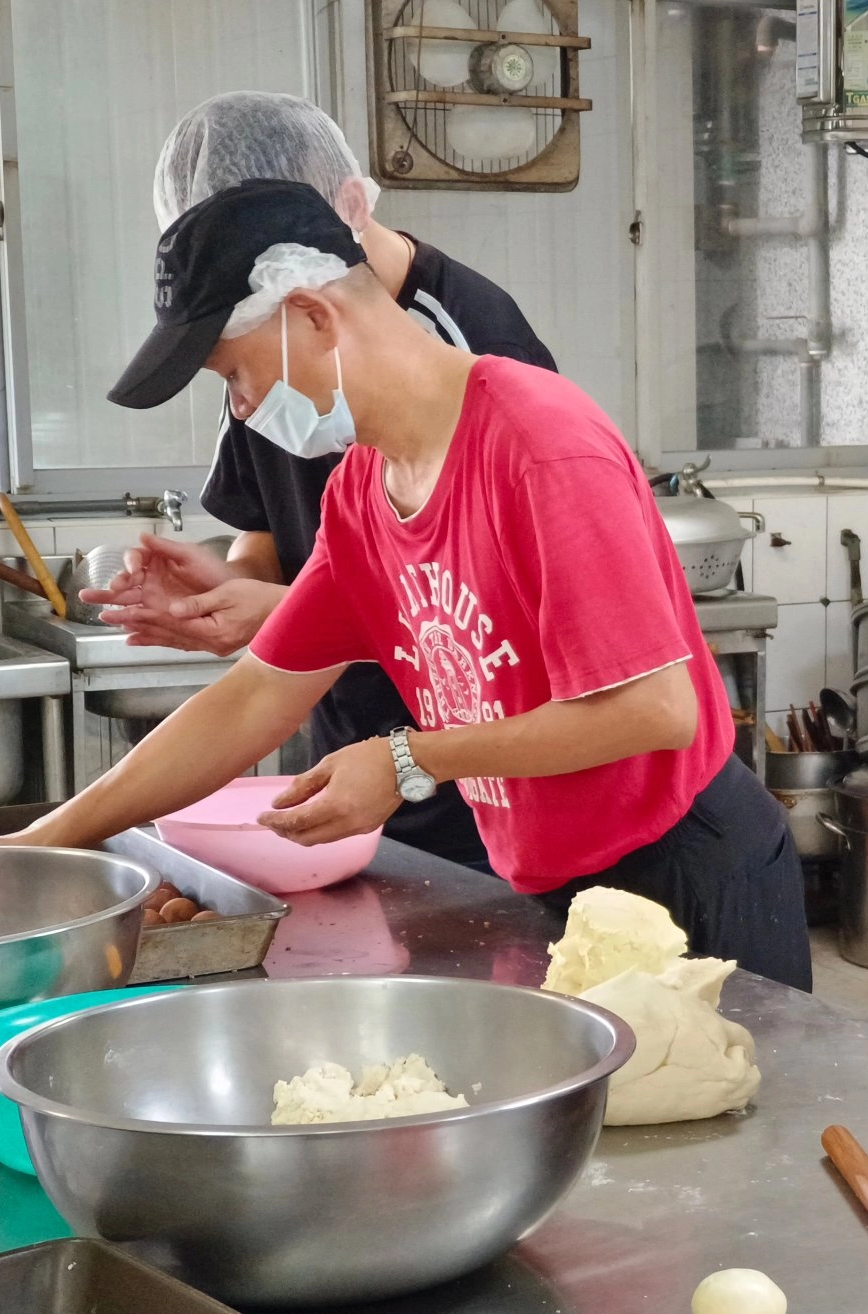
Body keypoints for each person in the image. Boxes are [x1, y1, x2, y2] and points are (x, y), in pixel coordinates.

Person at [0, 179, 811, 991]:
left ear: (312, 316)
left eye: (235, 375)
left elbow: (656, 710)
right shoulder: (364, 491)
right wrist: (42, 841)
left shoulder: (539, 445)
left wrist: (412, 760)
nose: (241, 406)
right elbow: (257, 694)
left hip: (685, 872)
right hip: (552, 882)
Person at [85, 92, 556, 874]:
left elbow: (503, 626)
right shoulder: (271, 347)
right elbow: (276, 545)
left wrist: (293, 618)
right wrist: (230, 588)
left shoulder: (484, 372)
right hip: (357, 767)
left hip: (477, 785)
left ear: (344, 210)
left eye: (238, 368)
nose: (241, 396)